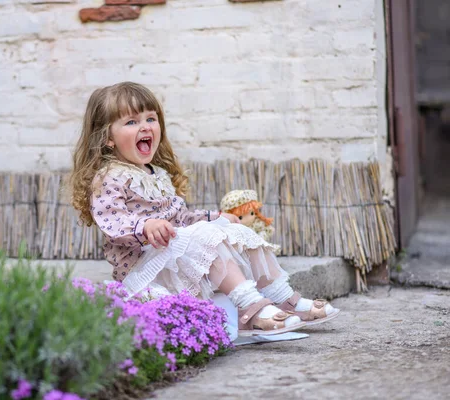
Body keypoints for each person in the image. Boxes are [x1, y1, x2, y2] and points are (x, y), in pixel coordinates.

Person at [70, 82, 339, 336]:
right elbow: (112, 222)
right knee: (204, 237)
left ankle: (282, 297)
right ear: (108, 138)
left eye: (150, 119)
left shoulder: (157, 174)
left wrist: (215, 217)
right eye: (131, 122)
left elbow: (180, 218)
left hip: (170, 257)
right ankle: (248, 306)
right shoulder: (109, 177)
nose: (145, 127)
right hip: (143, 269)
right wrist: (145, 227)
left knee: (230, 229)